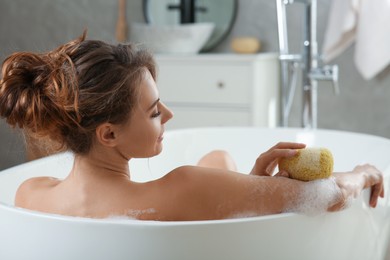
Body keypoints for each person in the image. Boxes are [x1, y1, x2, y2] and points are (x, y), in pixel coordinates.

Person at [0, 33, 384, 220]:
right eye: (153, 112)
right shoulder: (185, 188)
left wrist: (250, 185)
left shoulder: (29, 195)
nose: (168, 115)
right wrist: (366, 171)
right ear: (109, 134)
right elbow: (331, 194)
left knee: (217, 157)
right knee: (218, 159)